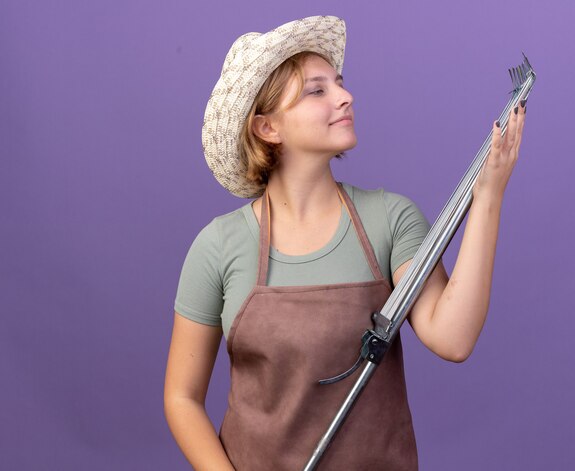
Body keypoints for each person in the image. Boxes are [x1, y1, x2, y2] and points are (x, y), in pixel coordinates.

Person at [164, 15, 526, 471]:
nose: (345, 96)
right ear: (267, 128)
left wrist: (488, 197)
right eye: (317, 91)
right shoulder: (218, 246)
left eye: (339, 83)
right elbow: (181, 397)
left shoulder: (388, 220)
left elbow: (452, 337)